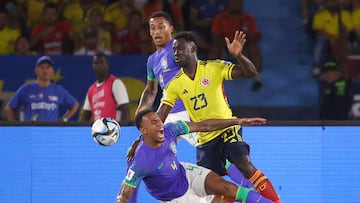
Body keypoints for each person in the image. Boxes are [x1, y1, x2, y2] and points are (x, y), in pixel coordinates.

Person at [129, 11, 252, 203]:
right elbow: (151, 90)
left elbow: (196, 62)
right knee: (151, 156)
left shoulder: (177, 47)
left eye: (161, 26)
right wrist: (140, 124)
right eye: (153, 27)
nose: (157, 31)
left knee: (220, 151)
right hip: (168, 115)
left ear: (171, 28)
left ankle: (248, 190)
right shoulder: (152, 60)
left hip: (188, 113)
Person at [156, 31, 281, 203]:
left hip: (227, 128)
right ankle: (252, 199)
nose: (176, 53)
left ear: (193, 49)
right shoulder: (174, 84)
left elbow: (250, 72)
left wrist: (239, 55)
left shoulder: (213, 67)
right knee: (212, 191)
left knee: (244, 165)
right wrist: (142, 140)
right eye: (174, 50)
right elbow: (159, 117)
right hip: (205, 138)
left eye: (180, 49)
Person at [116, 109, 273, 203]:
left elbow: (203, 125)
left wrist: (237, 121)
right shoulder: (141, 160)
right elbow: (124, 196)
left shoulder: (170, 130)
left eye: (159, 121)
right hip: (175, 198)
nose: (159, 125)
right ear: (143, 131)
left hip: (184, 173)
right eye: (153, 123)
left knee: (229, 188)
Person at [5, 55, 79, 122]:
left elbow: (75, 104)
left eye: (48, 68)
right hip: (31, 132)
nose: (45, 70)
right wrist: (14, 127)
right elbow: (9, 108)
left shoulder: (59, 90)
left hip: (51, 132)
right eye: (42, 67)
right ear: (36, 70)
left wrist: (64, 118)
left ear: (53, 71)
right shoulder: (26, 89)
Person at [209, 0, 263, 91]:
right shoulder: (220, 18)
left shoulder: (248, 18)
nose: (236, 5)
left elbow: (254, 36)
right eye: (233, 3)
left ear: (242, 5)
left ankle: (258, 78)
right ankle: (209, 78)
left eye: (238, 3)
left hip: (242, 45)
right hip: (225, 44)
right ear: (228, 4)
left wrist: (241, 43)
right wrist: (229, 45)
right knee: (215, 48)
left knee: (253, 48)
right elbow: (215, 37)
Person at [79, 53, 130, 124]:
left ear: (107, 65)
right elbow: (85, 116)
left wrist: (124, 131)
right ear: (93, 66)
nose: (99, 65)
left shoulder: (116, 83)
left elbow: (125, 110)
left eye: (101, 62)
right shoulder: (91, 89)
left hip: (113, 130)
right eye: (96, 63)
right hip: (98, 131)